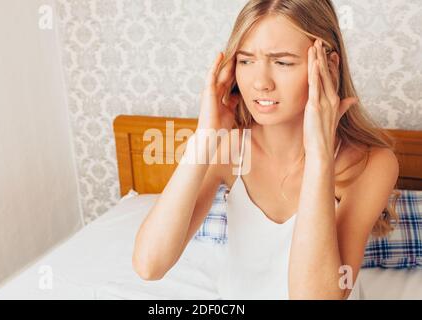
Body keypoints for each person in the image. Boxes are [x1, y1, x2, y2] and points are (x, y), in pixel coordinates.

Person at [132, 0, 400, 300]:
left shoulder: (371, 163)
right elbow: (148, 265)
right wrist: (206, 136)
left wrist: (320, 155)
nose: (260, 83)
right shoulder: (229, 148)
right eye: (246, 61)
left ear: (329, 65)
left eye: (283, 62)